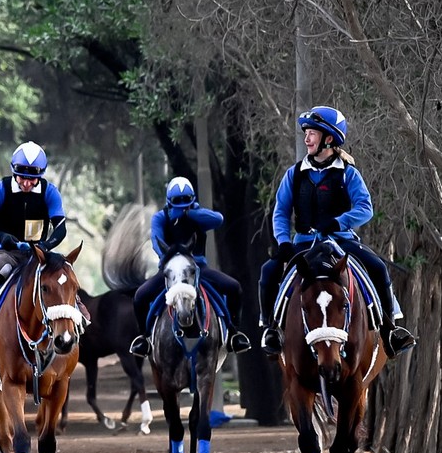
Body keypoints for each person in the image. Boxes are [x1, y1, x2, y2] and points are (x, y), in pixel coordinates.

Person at [258, 106, 416, 358]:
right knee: (268, 271)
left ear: (328, 139)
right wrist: (284, 242)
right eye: (306, 133)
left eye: (312, 133)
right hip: (304, 244)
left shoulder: (348, 173)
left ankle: (390, 330)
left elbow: (365, 208)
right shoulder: (294, 175)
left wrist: (338, 223)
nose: (307, 138)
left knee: (377, 267)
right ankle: (270, 329)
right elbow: (280, 213)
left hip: (341, 242)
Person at [128, 177, 252, 357]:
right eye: (178, 201)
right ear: (169, 201)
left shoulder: (198, 215)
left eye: (186, 200)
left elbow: (218, 219)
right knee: (140, 296)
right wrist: (167, 256)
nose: (182, 205)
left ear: (192, 199)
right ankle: (144, 338)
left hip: (197, 268)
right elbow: (156, 240)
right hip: (169, 270)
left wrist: (190, 213)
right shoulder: (161, 217)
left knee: (234, 287)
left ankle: (234, 333)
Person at [0, 142, 74, 334]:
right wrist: (2, 237)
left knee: (63, 272)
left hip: (39, 253)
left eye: (33, 179)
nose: (27, 184)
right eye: (23, 178)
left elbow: (61, 229)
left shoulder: (50, 192)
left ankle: (75, 309)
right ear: (14, 172)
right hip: (8, 252)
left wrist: (46, 245)